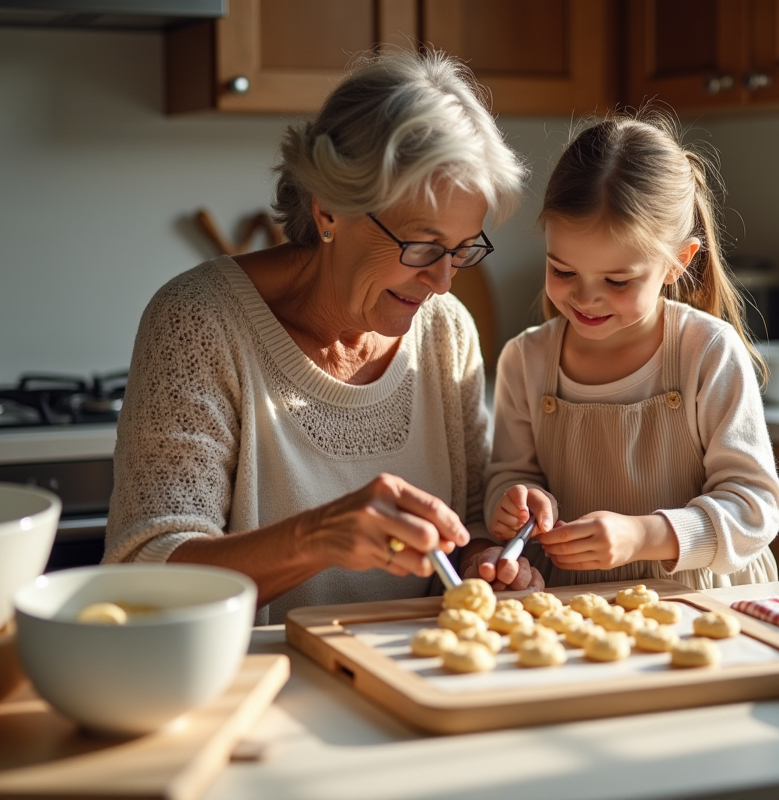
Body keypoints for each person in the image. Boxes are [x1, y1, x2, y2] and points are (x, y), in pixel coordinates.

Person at [104, 49, 543, 623]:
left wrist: (494, 563)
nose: (442, 281)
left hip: (413, 679)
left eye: (462, 250)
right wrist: (316, 537)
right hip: (260, 687)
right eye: (422, 245)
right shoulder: (199, 322)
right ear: (330, 209)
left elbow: (466, 530)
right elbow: (145, 575)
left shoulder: (445, 330)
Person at [482, 110, 779, 591]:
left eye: (617, 281)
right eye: (562, 271)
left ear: (676, 264)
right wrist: (513, 503)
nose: (585, 298)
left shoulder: (706, 352)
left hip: (697, 598)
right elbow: (510, 475)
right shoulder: (525, 361)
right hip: (572, 599)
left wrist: (645, 535)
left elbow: (753, 507)